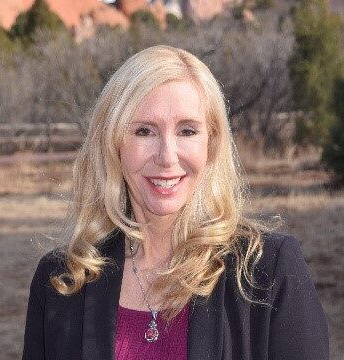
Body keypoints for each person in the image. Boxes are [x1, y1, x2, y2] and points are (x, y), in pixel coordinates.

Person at [22, 45, 328, 360]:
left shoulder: (268, 270)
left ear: (211, 143)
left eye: (187, 131)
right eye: (144, 131)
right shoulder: (62, 281)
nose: (167, 157)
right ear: (113, 144)